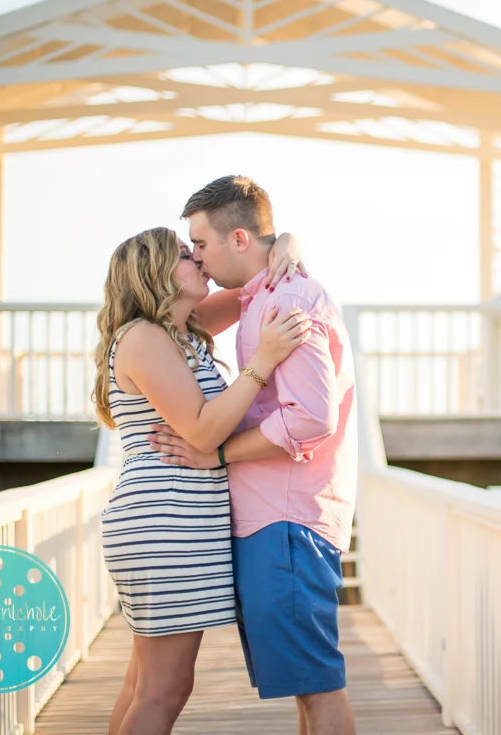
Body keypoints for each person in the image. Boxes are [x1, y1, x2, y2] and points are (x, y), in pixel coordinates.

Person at [148, 175, 358, 735]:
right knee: (305, 689)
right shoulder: (258, 295)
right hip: (273, 518)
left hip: (287, 518)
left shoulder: (286, 298)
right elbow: (183, 319)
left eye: (201, 244)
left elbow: (312, 416)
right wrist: (287, 238)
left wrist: (218, 457)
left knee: (318, 688)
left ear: (239, 239)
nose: (196, 256)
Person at [94, 226, 310, 735]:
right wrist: (263, 361)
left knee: (144, 685)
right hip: (164, 524)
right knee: (164, 690)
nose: (199, 259)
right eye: (186, 254)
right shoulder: (145, 338)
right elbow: (205, 430)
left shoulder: (180, 328)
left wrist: (288, 243)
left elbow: (253, 283)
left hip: (169, 521)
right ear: (157, 273)